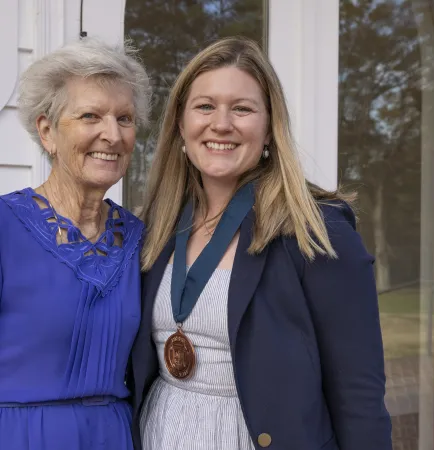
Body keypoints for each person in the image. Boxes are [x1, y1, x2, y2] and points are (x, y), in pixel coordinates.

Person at [130, 37, 392, 450]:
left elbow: (359, 394)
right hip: (160, 433)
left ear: (269, 127)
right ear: (181, 125)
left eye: (242, 108)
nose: (221, 123)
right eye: (205, 106)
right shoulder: (156, 228)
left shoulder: (316, 231)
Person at [0, 37, 151, 450]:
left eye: (125, 118)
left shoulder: (143, 240)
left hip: (114, 436)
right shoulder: (5, 227)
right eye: (91, 116)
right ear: (47, 131)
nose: (112, 134)